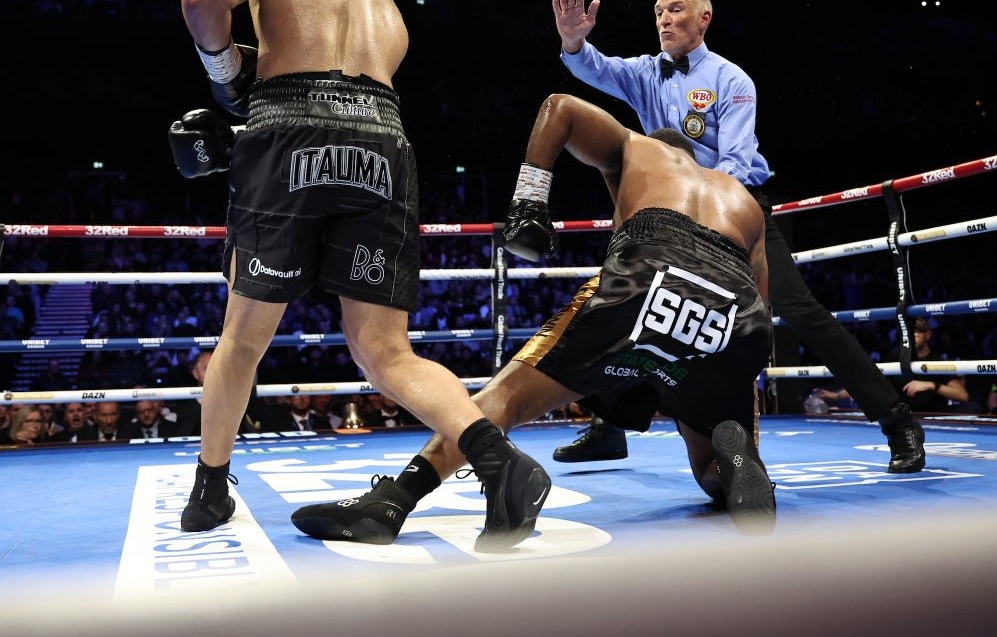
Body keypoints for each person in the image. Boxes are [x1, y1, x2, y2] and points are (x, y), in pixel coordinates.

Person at [167, 0, 549, 550]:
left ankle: (209, 492)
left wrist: (226, 74)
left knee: (244, 337)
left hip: (290, 133)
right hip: (384, 141)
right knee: (386, 352)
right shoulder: (386, 5)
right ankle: (498, 462)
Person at [291, 95, 777, 542]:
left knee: (506, 399)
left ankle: (393, 501)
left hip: (651, 274)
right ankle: (737, 458)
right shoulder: (744, 201)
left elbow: (560, 107)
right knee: (711, 466)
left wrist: (530, 204)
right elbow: (760, 318)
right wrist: (739, 409)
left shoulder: (640, 149)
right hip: (734, 312)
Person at [547, 0, 925, 473]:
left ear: (704, 19)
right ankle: (609, 428)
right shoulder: (645, 73)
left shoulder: (731, 80)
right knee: (629, 306)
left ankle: (898, 420)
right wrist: (573, 40)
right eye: (658, 12)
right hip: (670, 215)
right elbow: (594, 68)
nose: (664, 20)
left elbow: (737, 163)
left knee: (799, 310)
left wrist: (699, 209)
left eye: (675, 10)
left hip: (735, 209)